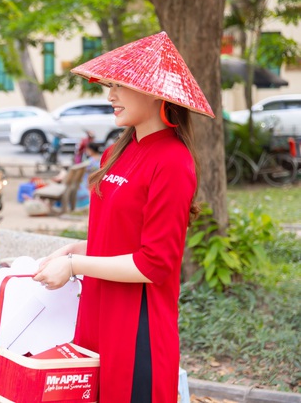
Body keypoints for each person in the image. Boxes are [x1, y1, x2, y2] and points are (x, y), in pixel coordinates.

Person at [33, 32, 215, 403]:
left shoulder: (173, 162)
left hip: (137, 329)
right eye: (110, 85)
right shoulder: (115, 153)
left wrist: (74, 264)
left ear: (153, 91)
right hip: (97, 314)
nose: (110, 95)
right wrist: (71, 250)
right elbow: (117, 242)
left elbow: (154, 264)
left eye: (119, 86)